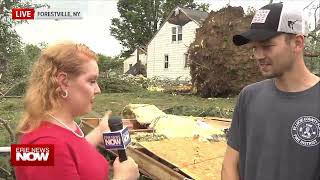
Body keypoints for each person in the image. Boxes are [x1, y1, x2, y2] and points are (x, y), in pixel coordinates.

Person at [222, 2, 320, 180]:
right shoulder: (249, 97)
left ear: (297, 43)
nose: (258, 56)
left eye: (267, 46)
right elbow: (229, 165)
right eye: (254, 48)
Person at [15, 42, 140, 180]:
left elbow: (73, 153)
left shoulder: (62, 127)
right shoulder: (45, 144)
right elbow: (59, 153)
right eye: (91, 81)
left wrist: (100, 131)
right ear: (63, 82)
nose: (98, 90)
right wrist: (123, 178)